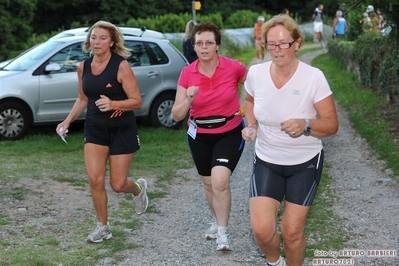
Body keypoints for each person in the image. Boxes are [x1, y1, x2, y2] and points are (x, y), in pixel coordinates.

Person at [241, 14, 338, 266]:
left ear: (297, 43)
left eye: (284, 43)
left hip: (304, 161)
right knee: (262, 231)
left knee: (292, 233)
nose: (277, 49)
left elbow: (331, 124)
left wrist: (306, 124)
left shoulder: (313, 77)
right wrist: (251, 124)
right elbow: (249, 101)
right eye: (271, 44)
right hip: (267, 159)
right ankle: (275, 262)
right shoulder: (256, 73)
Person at [56, 20, 149, 243]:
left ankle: (137, 188)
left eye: (102, 38)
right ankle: (103, 227)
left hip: (122, 130)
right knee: (95, 179)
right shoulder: (83, 67)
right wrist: (67, 121)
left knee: (118, 185)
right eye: (93, 37)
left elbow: (136, 101)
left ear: (112, 42)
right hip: (95, 129)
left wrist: (115, 104)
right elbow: (82, 97)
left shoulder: (121, 66)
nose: (96, 42)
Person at [171, 22, 247, 251]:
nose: (204, 47)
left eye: (209, 43)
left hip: (229, 132)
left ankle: (222, 233)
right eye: (199, 43)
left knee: (219, 181)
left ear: (217, 46)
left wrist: (248, 110)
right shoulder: (187, 73)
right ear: (193, 46)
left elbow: (256, 88)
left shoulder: (234, 68)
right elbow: (176, 115)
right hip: (199, 135)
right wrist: (188, 99)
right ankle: (216, 221)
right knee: (208, 183)